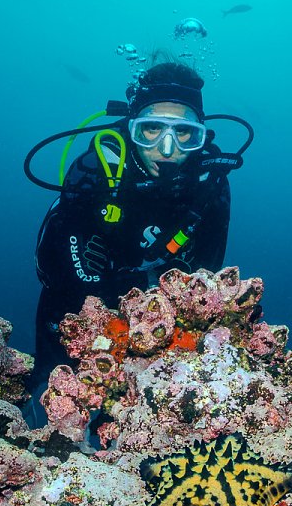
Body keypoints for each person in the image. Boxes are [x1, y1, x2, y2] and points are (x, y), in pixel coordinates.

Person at [27, 58, 251, 396]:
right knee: (52, 403)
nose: (166, 148)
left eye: (184, 133)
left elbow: (207, 276)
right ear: (133, 126)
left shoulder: (210, 185)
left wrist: (144, 284)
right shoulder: (97, 168)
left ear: (199, 136)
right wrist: (104, 285)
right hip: (71, 323)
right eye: (152, 129)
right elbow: (50, 265)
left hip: (163, 335)